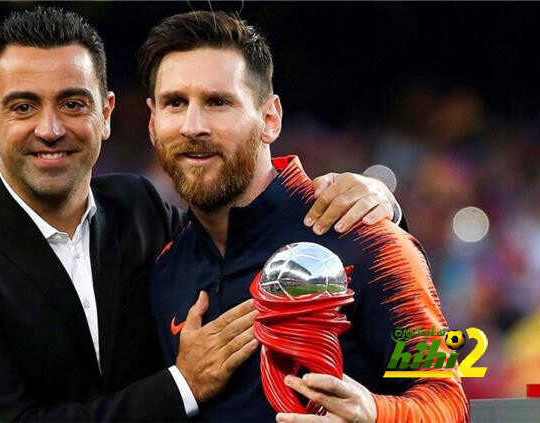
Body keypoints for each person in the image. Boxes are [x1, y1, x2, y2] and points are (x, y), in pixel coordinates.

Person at [0, 7, 403, 422]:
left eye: (72, 104)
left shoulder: (139, 210)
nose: (50, 129)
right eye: (23, 107)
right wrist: (183, 386)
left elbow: (438, 385)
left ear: (106, 114)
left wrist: (378, 198)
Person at [142, 11, 468, 423]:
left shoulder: (368, 238)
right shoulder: (166, 269)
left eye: (218, 102)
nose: (193, 126)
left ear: (270, 119)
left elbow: (448, 400)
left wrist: (373, 414)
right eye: (175, 103)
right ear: (153, 123)